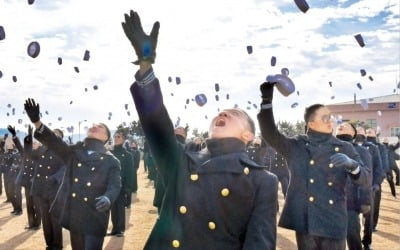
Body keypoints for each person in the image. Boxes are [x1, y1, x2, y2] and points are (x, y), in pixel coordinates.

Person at [122, 10, 278, 249]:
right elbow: (156, 121)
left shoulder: (262, 180)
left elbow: (260, 241)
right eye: (221, 112)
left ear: (248, 136)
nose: (223, 113)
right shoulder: (182, 160)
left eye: (234, 114)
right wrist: (146, 62)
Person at [257, 81, 370, 250]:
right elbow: (270, 133)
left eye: (330, 117)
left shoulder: (345, 147)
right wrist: (266, 101)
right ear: (311, 124)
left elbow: (365, 179)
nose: (330, 120)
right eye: (324, 117)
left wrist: (353, 165)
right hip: (306, 219)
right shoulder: (296, 145)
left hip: (333, 219)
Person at [24, 98, 121, 250]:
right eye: (93, 124)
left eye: (100, 126)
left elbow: (115, 185)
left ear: (106, 137)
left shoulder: (111, 160)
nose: (95, 126)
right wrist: (37, 122)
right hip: (76, 215)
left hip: (96, 215)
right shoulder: (74, 152)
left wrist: (108, 197)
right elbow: (54, 142)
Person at [335, 122, 372, 250]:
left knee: (353, 239)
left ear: (353, 133)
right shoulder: (325, 148)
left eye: (346, 125)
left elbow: (367, 178)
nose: (341, 125)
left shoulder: (361, 151)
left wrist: (366, 201)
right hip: (327, 205)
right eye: (339, 124)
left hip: (350, 204)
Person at [30, 127, 66, 249]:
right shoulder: (42, 148)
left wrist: (54, 178)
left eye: (56, 134)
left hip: (55, 188)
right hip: (41, 189)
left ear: (60, 138)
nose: (52, 136)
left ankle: (57, 245)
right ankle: (49, 244)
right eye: (52, 134)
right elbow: (29, 156)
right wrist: (29, 141)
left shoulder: (62, 150)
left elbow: (65, 167)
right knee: (45, 218)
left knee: (55, 219)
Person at [354, 126, 384, 250]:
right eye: (358, 130)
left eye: (362, 130)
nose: (360, 132)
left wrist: (376, 184)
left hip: (368, 188)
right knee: (351, 218)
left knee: (368, 216)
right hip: (351, 189)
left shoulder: (373, 148)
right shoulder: (348, 146)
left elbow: (379, 168)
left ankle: (366, 242)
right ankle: (354, 243)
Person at [8, 125, 41, 230]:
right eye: (32, 143)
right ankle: (31, 223)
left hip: (36, 184)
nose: (33, 144)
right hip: (27, 183)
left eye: (35, 143)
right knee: (29, 204)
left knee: (37, 204)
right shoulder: (26, 154)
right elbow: (19, 146)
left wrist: (32, 135)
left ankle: (37, 223)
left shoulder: (40, 155)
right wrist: (14, 136)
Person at [108, 130, 134, 237]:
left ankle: (120, 230)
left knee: (120, 208)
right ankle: (114, 229)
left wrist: (128, 188)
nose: (116, 138)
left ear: (123, 139)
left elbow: (130, 172)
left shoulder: (127, 155)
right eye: (115, 136)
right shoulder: (110, 153)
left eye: (118, 137)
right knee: (113, 208)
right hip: (110, 185)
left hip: (121, 185)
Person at [3, 135, 23, 215]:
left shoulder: (18, 151)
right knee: (10, 193)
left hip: (17, 175)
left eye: (8, 140)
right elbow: (5, 164)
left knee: (17, 193)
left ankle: (19, 209)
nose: (7, 142)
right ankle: (15, 208)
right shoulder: (6, 152)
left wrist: (15, 166)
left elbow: (21, 163)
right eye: (7, 140)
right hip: (9, 176)